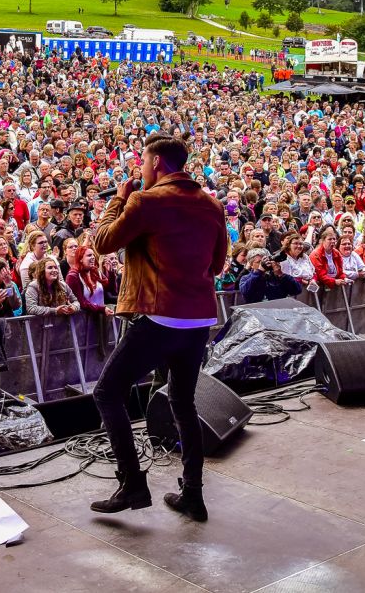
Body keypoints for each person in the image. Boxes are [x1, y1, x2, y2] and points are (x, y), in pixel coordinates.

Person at [91, 134, 227, 522]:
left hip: (158, 315)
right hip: (198, 319)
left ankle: (132, 484)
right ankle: (194, 495)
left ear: (158, 164)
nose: (141, 169)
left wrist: (118, 197)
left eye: (144, 162)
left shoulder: (144, 200)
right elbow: (216, 265)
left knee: (107, 393)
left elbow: (102, 242)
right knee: (183, 402)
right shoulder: (212, 204)